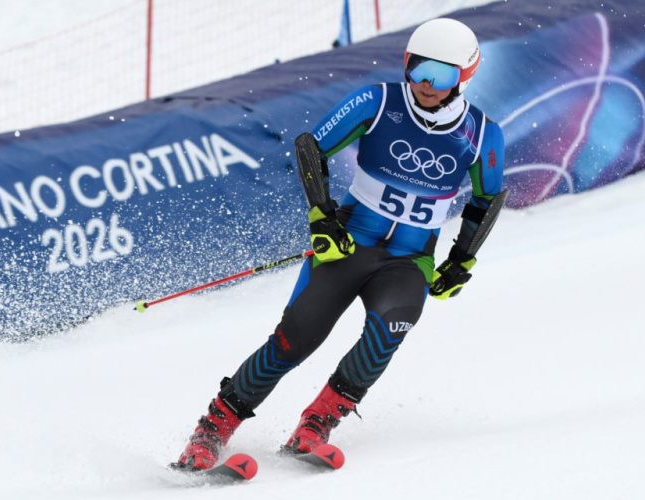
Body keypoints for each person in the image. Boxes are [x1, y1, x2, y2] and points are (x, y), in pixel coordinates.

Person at [174, 17, 506, 470]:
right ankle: (211, 431)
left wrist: (461, 259)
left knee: (388, 332)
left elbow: (487, 200)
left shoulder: (482, 134)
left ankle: (316, 425)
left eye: (441, 74)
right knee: (295, 340)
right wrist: (323, 218)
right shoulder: (378, 101)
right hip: (348, 244)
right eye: (418, 67)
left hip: (409, 260)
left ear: (463, 77)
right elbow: (311, 148)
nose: (426, 83)